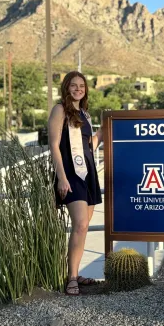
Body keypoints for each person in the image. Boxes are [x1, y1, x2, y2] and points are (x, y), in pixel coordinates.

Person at [48, 71, 103, 296]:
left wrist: (105, 129)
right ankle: (71, 278)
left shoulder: (85, 114)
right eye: (73, 85)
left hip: (88, 173)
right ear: (66, 87)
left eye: (81, 85)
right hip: (70, 173)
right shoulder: (60, 110)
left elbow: (91, 146)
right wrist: (61, 177)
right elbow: (54, 145)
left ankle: (76, 273)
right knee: (79, 224)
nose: (78, 89)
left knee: (84, 227)